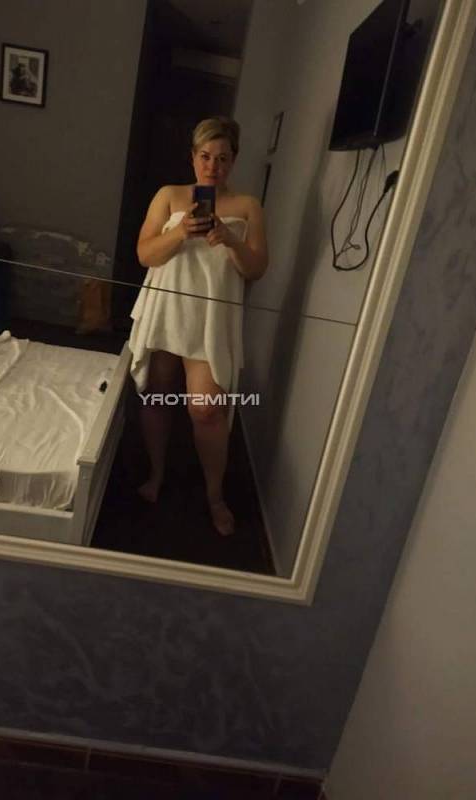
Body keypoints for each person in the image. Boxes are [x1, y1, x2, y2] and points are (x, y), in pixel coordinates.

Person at [128, 117, 268, 536]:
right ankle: (156, 473)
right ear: (192, 157)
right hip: (166, 309)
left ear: (234, 160)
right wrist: (180, 233)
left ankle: (214, 495)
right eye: (205, 156)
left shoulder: (248, 206)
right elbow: (145, 254)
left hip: (211, 319)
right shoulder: (169, 196)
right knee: (157, 395)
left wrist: (230, 239)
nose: (213, 166)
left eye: (222, 158)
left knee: (206, 410)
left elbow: (256, 269)